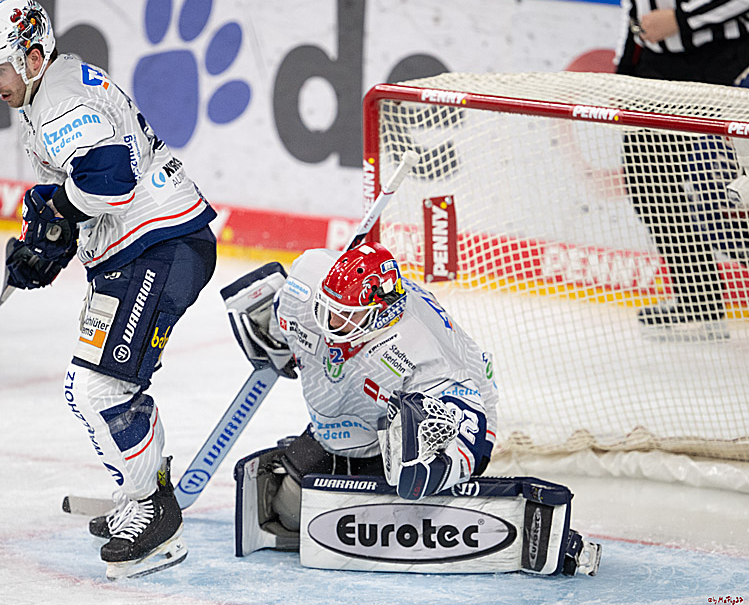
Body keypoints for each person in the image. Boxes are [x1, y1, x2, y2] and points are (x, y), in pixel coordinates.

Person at [0, 0, 217, 580]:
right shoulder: (52, 86)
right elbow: (81, 189)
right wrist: (46, 237)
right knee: (94, 388)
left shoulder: (58, 101)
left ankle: (154, 511)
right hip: (143, 246)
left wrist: (54, 215)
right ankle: (141, 492)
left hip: (160, 243)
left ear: (31, 56)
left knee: (99, 388)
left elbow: (110, 183)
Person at [222, 243, 601, 576]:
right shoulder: (309, 281)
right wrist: (277, 336)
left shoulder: (422, 352)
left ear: (380, 315)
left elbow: (477, 430)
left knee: (410, 464)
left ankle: (410, 468)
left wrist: (437, 463)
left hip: (436, 414)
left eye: (344, 317)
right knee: (289, 511)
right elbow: (284, 307)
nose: (331, 323)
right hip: (343, 418)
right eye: (328, 310)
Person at [614, 0, 749, 338]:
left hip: (727, 63)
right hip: (657, 67)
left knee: (740, 191)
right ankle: (699, 298)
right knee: (647, 183)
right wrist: (625, 70)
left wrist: (680, 19)